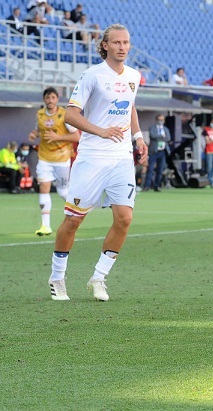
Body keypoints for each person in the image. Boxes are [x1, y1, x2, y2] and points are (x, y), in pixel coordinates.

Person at [47, 24, 147, 302]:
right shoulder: (91, 75)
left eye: (126, 42)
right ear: (104, 45)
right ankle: (57, 277)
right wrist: (101, 130)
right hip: (92, 158)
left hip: (121, 158)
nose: (122, 47)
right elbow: (70, 114)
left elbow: (130, 106)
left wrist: (138, 137)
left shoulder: (134, 76)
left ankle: (98, 277)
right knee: (73, 220)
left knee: (125, 218)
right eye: (116, 42)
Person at [27, 86, 81, 236]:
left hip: (62, 158)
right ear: (44, 99)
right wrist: (34, 135)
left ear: (57, 99)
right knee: (44, 187)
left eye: (53, 98)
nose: (50, 100)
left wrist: (58, 137)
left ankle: (78, 210)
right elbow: (38, 130)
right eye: (47, 98)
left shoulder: (64, 115)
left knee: (63, 191)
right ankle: (45, 226)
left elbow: (76, 137)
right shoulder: (40, 114)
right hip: (44, 157)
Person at [144, 114, 171, 192]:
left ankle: (157, 186)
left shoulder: (165, 129)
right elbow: (153, 136)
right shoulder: (152, 128)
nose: (161, 121)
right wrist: (162, 136)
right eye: (159, 119)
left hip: (162, 151)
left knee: (160, 169)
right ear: (156, 120)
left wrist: (160, 137)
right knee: (150, 169)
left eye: (162, 120)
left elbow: (168, 138)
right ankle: (147, 186)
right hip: (153, 151)